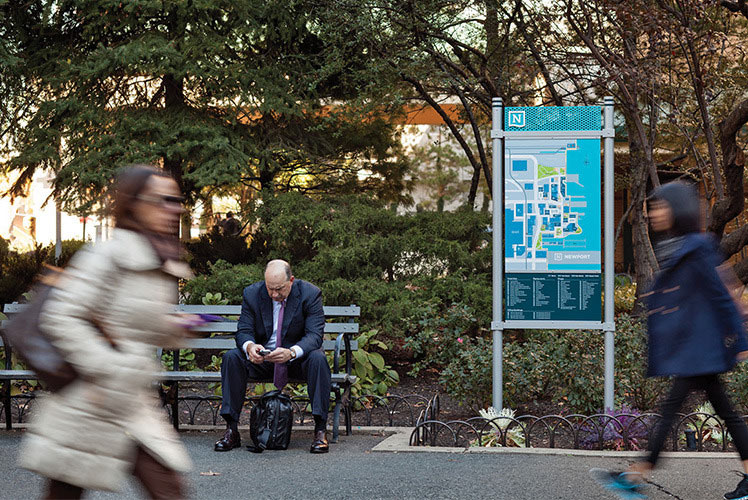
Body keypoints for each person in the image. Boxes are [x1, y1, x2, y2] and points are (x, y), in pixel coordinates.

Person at [18, 165, 196, 499]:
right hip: (90, 399)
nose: (177, 208)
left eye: (178, 199)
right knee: (67, 490)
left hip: (129, 400)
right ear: (134, 203)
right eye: (166, 200)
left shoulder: (159, 259)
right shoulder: (107, 254)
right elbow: (61, 317)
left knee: (169, 489)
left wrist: (176, 327)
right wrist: (112, 366)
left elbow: (134, 322)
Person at [591, 181, 748, 500]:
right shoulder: (678, 246)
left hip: (700, 350)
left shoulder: (697, 246)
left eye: (660, 207)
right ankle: (636, 475)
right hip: (695, 349)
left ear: (678, 209)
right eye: (652, 208)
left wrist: (742, 339)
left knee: (674, 410)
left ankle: (635, 476)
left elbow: (721, 295)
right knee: (724, 413)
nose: (653, 214)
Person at [214, 259, 331, 454]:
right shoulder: (252, 294)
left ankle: (320, 430)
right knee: (232, 358)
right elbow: (243, 330)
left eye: (279, 289)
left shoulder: (310, 294)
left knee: (318, 359)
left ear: (291, 280)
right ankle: (231, 430)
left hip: (296, 360)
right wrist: (250, 347)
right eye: (270, 289)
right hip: (263, 360)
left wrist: (292, 352)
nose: (274, 295)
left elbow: (314, 336)